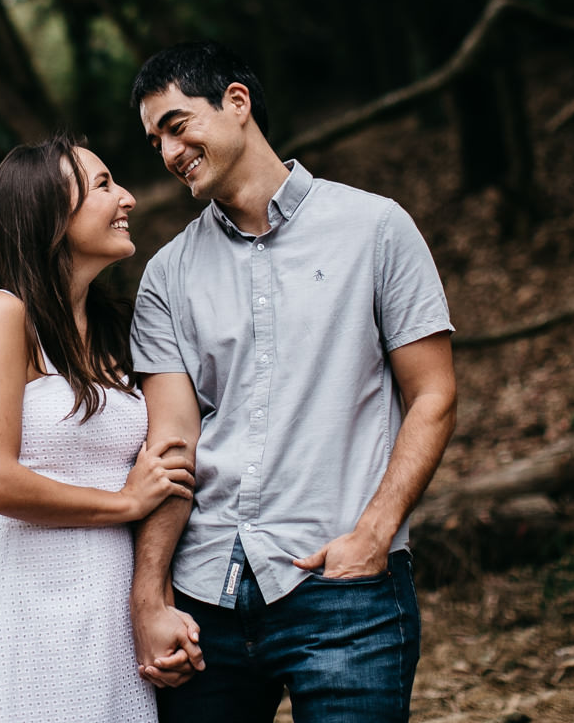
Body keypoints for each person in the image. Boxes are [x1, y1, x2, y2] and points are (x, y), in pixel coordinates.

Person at [125, 41, 458, 723]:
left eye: (177, 124)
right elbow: (172, 446)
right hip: (206, 599)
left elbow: (433, 395)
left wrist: (375, 533)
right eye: (154, 139)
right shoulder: (167, 276)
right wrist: (150, 597)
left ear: (237, 104)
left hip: (345, 591)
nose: (167, 152)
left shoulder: (376, 229)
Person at [0, 136, 194, 723]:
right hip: (35, 602)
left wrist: (153, 597)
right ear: (48, 214)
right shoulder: (3, 313)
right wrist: (124, 503)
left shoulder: (118, 327)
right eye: (104, 186)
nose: (129, 199)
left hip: (113, 602)